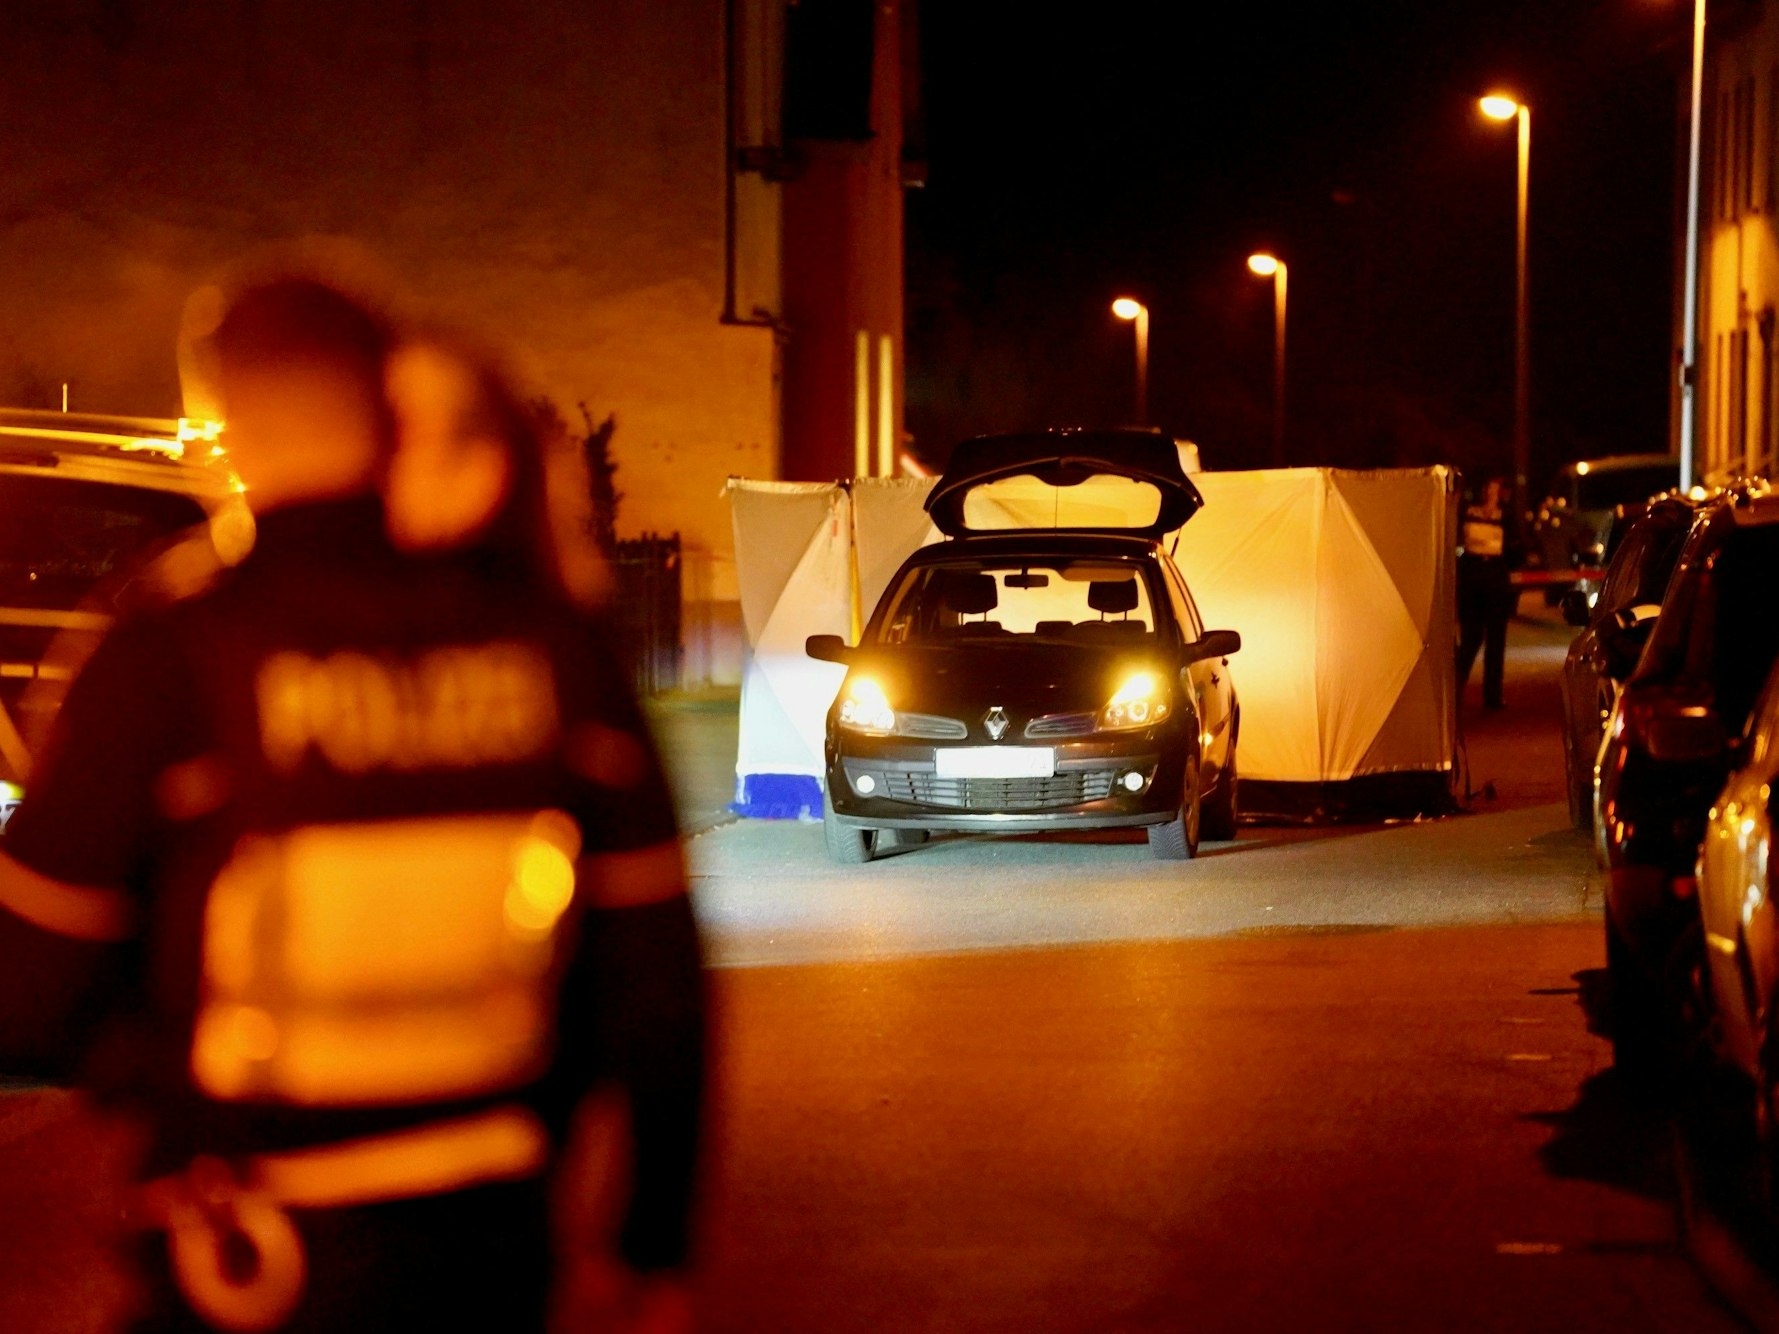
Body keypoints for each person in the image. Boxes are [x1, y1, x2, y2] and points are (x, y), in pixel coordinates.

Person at [0, 275, 705, 1331]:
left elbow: (29, 992)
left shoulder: (168, 657)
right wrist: (650, 1250)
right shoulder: (557, 652)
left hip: (254, 1258)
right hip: (494, 1253)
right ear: (386, 407)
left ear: (225, 419)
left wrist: (153, 1045)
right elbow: (659, 992)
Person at [1455, 473, 1518, 710]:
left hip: (1495, 582)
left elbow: (1514, 546)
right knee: (1471, 639)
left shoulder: (1506, 516)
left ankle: (1492, 696)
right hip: (1474, 582)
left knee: (1496, 640)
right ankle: (1454, 690)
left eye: (1495, 489)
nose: (1491, 494)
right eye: (1488, 488)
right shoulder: (1468, 512)